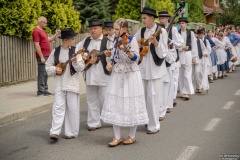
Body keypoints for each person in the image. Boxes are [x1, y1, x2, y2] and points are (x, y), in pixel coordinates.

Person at [100, 18, 149, 147]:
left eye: (117, 29)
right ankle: (117, 137)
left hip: (131, 76)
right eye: (114, 29)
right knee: (115, 104)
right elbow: (114, 58)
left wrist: (126, 49)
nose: (114, 31)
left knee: (132, 104)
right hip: (117, 75)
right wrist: (110, 63)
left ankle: (132, 136)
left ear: (125, 29)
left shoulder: (131, 40)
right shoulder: (115, 40)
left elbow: (135, 58)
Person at [45, 28, 85, 141]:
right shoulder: (55, 51)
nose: (74, 40)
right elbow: (48, 67)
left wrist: (76, 62)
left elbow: (81, 68)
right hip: (59, 85)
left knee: (72, 109)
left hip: (72, 84)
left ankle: (71, 132)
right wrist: (55, 69)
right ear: (66, 40)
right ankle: (55, 132)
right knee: (58, 108)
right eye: (72, 39)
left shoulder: (76, 51)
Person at [134, 7, 168, 134]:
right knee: (144, 98)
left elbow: (164, 53)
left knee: (153, 98)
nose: (143, 20)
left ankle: (154, 126)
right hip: (142, 69)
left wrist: (156, 43)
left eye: (145, 18)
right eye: (142, 18)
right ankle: (147, 121)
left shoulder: (161, 32)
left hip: (155, 70)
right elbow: (134, 43)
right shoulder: (141, 31)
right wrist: (137, 45)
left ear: (152, 19)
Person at [75, 19, 112, 131]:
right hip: (90, 75)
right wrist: (83, 57)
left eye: (95, 28)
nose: (93, 30)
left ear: (101, 29)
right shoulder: (86, 41)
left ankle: (112, 119)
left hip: (104, 75)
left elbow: (113, 54)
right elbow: (76, 51)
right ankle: (93, 123)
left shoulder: (108, 41)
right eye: (91, 29)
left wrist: (109, 57)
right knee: (92, 100)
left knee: (106, 99)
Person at [158, 11, 184, 116]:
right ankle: (161, 104)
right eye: (160, 18)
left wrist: (172, 42)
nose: (161, 20)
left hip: (170, 58)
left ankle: (168, 105)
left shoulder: (172, 29)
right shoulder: (158, 28)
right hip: (160, 58)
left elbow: (181, 42)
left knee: (169, 82)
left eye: (163, 18)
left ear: (168, 19)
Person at [32, 16, 60, 96]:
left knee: (46, 73)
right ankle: (41, 91)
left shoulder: (43, 31)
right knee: (42, 73)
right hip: (42, 56)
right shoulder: (36, 31)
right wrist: (41, 57)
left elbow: (50, 39)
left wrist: (56, 33)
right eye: (45, 23)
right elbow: (36, 45)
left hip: (47, 55)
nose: (46, 24)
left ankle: (45, 90)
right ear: (41, 22)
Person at [177, 17, 198, 100]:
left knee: (187, 72)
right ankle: (182, 91)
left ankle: (186, 92)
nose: (181, 25)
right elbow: (174, 44)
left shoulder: (190, 33)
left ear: (186, 24)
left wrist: (194, 56)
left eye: (183, 23)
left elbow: (194, 45)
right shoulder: (177, 33)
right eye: (180, 23)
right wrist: (181, 48)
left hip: (188, 53)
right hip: (180, 53)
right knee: (180, 73)